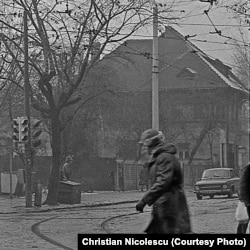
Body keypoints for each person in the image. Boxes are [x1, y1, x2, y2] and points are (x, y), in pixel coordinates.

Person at [135, 128, 192, 234]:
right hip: (163, 206)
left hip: (170, 207)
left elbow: (163, 182)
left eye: (145, 145)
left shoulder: (164, 157)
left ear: (151, 143)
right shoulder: (160, 157)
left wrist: (144, 200)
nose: (144, 148)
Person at [237, 162, 250, 234]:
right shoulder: (248, 167)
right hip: (248, 201)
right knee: (244, 222)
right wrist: (245, 200)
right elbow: (243, 185)